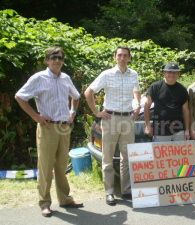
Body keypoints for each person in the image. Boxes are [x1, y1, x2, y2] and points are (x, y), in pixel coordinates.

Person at [15, 46, 83, 217]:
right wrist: (36, 117)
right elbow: (20, 96)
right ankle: (44, 202)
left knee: (61, 166)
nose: (57, 61)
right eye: (54, 57)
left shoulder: (66, 78)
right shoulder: (39, 78)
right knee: (45, 167)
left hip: (64, 127)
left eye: (60, 58)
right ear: (47, 60)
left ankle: (65, 199)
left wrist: (72, 113)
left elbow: (76, 96)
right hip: (48, 127)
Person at [84, 46, 141, 205]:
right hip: (110, 118)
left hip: (128, 118)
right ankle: (109, 192)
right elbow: (89, 92)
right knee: (107, 156)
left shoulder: (133, 74)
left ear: (129, 58)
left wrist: (137, 105)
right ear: (115, 57)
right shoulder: (107, 75)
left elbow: (137, 91)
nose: (122, 58)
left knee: (127, 156)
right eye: (120, 55)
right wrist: (96, 112)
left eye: (125, 56)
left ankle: (126, 190)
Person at [144, 62, 190, 142]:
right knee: (160, 154)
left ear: (178, 74)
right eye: (169, 72)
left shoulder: (182, 89)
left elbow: (186, 111)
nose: (172, 74)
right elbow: (147, 105)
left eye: (175, 72)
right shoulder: (155, 87)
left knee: (178, 155)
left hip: (178, 131)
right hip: (160, 131)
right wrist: (147, 126)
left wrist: (187, 130)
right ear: (164, 73)